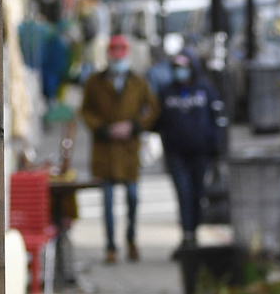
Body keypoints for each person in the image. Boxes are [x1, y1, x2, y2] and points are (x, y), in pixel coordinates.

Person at [79, 33, 158, 264]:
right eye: (113, 51)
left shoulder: (138, 82)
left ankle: (131, 238)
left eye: (121, 51)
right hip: (105, 149)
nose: (117, 55)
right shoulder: (95, 81)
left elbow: (151, 109)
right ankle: (111, 245)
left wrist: (133, 126)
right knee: (108, 201)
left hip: (127, 150)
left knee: (132, 197)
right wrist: (103, 129)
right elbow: (86, 111)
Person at [157, 52, 226, 250]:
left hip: (201, 151)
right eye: (177, 67)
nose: (181, 71)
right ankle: (187, 234)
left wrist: (217, 146)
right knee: (184, 193)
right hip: (176, 153)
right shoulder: (166, 92)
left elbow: (218, 119)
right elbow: (158, 120)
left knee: (198, 193)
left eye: (184, 67)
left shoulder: (205, 89)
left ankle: (193, 233)